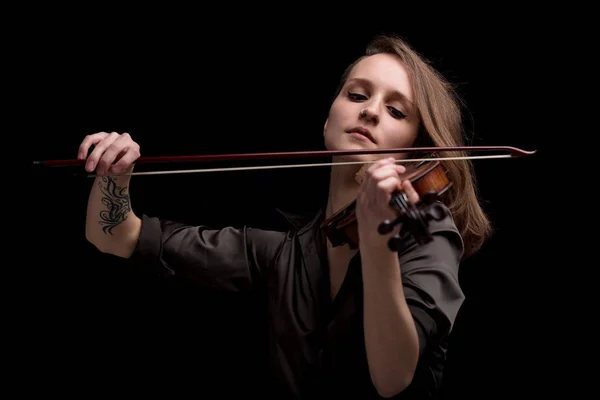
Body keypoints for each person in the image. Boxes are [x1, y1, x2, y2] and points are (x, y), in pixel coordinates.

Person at [78, 34, 491, 399]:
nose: (370, 112)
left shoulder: (429, 232)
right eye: (358, 95)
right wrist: (114, 176)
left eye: (397, 112)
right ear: (328, 119)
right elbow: (114, 235)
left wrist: (379, 238)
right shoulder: (283, 255)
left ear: (415, 147)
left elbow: (392, 377)